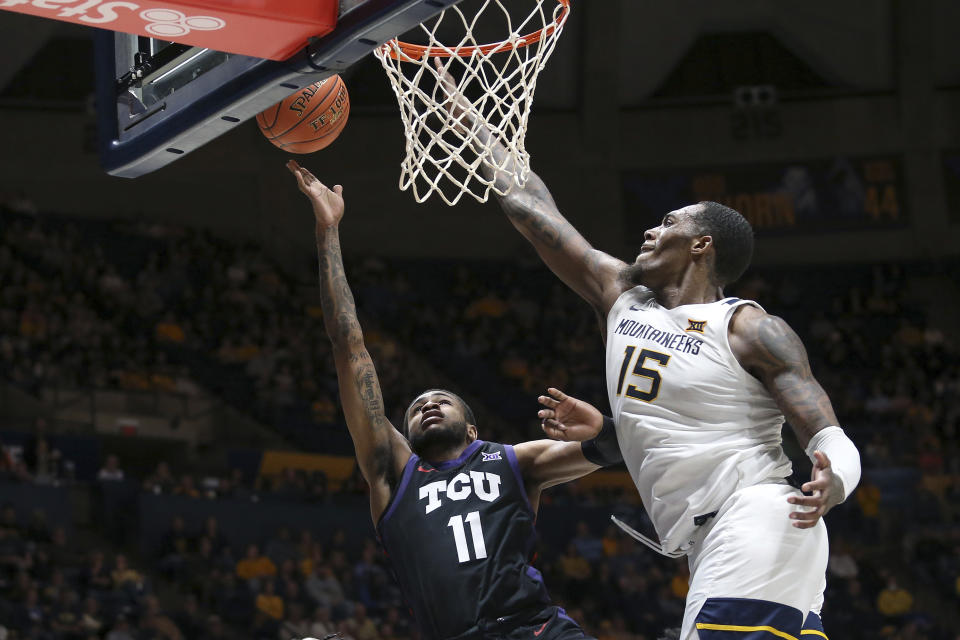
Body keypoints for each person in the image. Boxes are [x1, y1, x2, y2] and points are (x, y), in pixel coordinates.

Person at [432, 60, 862, 640]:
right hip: (713, 539)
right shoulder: (621, 299)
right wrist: (472, 122)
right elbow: (533, 210)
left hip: (757, 515)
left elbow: (824, 429)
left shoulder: (746, 326)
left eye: (668, 223)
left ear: (701, 244)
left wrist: (838, 478)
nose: (650, 232)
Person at [287, 160, 611, 640]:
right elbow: (347, 342)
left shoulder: (514, 462)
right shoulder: (392, 471)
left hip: (535, 629)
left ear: (473, 429)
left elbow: (627, 445)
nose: (427, 405)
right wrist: (327, 230)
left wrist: (601, 426)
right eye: (417, 405)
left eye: (442, 399)